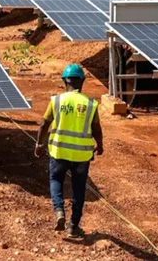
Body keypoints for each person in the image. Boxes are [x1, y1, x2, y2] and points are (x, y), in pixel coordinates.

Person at [34, 63, 103, 238]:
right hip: (81, 155)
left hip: (59, 152)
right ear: (82, 82)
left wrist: (39, 144)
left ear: (65, 81)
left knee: (56, 179)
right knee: (79, 188)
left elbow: (44, 124)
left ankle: (59, 211)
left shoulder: (56, 101)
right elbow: (96, 128)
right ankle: (73, 226)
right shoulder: (90, 104)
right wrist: (100, 145)